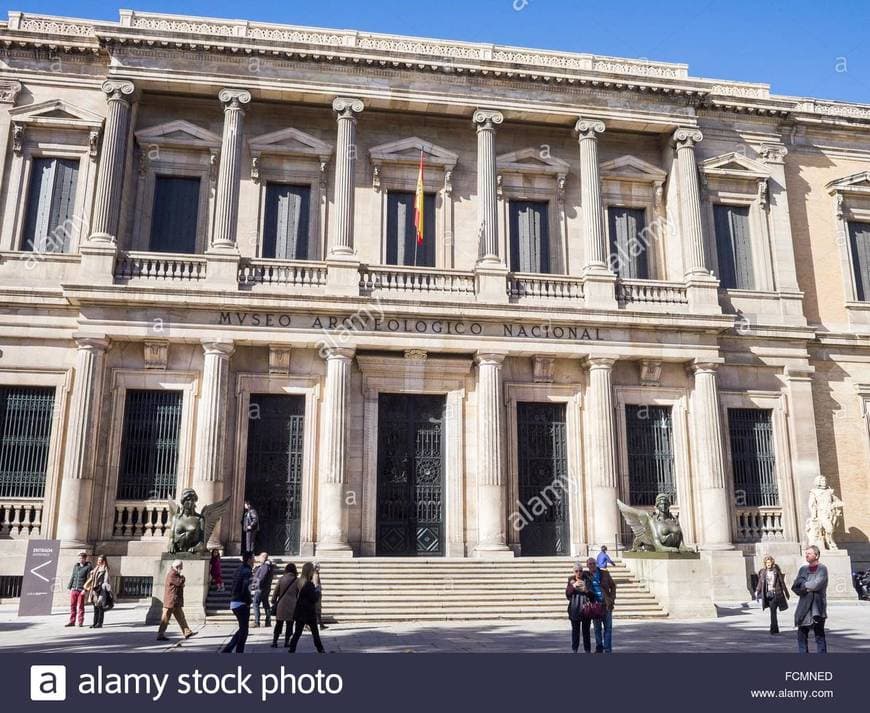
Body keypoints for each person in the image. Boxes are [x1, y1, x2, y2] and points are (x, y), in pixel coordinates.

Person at [792, 545, 828, 653]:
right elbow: (795, 586)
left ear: (816, 555)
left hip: (817, 607)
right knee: (801, 635)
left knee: (819, 635)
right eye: (806, 553)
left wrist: (804, 585)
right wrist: (806, 587)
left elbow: (816, 585)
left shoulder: (822, 569)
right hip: (803, 607)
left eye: (809, 553)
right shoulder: (803, 569)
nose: (806, 555)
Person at [288, 562, 325, 653]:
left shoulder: (299, 581)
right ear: (309, 571)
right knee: (315, 632)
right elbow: (314, 598)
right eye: (312, 570)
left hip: (300, 611)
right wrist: (317, 590)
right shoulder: (309, 584)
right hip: (309, 612)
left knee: (297, 632)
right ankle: (320, 649)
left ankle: (292, 648)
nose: (313, 572)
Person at [222, 552, 254, 653]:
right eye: (253, 558)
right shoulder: (247, 571)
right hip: (241, 603)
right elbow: (246, 588)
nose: (254, 560)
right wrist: (248, 601)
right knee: (244, 630)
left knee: (242, 629)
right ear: (249, 559)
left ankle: (230, 649)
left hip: (234, 602)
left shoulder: (239, 569)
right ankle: (235, 651)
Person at [157, 560, 195, 641]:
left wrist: (181, 581)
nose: (181, 569)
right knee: (165, 618)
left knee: (181, 617)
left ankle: (187, 632)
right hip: (171, 601)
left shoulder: (175, 574)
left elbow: (180, 584)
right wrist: (183, 578)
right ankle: (160, 634)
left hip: (175, 601)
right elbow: (179, 583)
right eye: (181, 567)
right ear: (177, 567)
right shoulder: (172, 574)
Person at [585, 557, 616, 653]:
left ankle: (607, 649)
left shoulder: (604, 573)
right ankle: (599, 647)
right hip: (595, 606)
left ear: (596, 564)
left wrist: (612, 599)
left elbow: (613, 586)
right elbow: (574, 576)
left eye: (593, 563)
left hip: (606, 604)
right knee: (597, 629)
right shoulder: (586, 575)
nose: (592, 565)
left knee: (608, 628)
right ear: (587, 566)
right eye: (590, 564)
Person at [755, 555, 789, 634]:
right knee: (773, 611)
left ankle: (773, 628)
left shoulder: (776, 571)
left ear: (772, 563)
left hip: (776, 594)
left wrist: (786, 593)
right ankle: (774, 628)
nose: (768, 564)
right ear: (765, 564)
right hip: (769, 595)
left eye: (769, 562)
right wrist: (757, 591)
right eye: (767, 563)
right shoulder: (763, 572)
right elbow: (760, 582)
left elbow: (782, 582)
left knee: (773, 612)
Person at [271, 563, 300, 648]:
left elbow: (276, 591)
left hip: (281, 605)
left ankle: (274, 642)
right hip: (292, 606)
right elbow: (299, 593)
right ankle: (286, 642)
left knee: (278, 624)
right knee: (289, 625)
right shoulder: (297, 580)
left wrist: (273, 600)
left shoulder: (281, 579)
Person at [566, 562, 593, 653]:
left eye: (580, 571)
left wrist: (586, 590)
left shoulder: (587, 580)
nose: (579, 573)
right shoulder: (571, 580)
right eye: (576, 571)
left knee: (586, 632)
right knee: (575, 632)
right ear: (574, 572)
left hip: (586, 609)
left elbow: (592, 596)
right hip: (574, 609)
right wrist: (573, 586)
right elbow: (567, 594)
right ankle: (575, 649)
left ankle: (587, 650)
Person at [66, 551, 93, 627]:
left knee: (80, 606)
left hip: (81, 590)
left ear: (85, 559)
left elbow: (89, 579)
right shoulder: (76, 566)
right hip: (74, 589)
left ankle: (80, 622)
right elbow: (73, 577)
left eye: (82, 558)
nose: (80, 559)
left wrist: (85, 589)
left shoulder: (88, 567)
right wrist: (69, 587)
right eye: (79, 558)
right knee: (72, 605)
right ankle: (72, 621)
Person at [86, 555, 112, 629]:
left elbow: (106, 580)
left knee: (100, 607)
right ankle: (94, 623)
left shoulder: (105, 569)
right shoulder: (96, 568)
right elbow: (92, 578)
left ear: (104, 561)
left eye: (100, 560)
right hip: (94, 590)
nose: (99, 561)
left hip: (101, 590)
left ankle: (99, 623)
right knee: (95, 607)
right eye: (98, 560)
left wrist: (103, 587)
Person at [252, 552, 275, 628]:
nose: (258, 558)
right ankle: (268, 621)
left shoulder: (265, 566)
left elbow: (261, 577)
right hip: (266, 588)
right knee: (265, 604)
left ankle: (257, 621)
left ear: (263, 557)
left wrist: (256, 585)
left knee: (255, 603)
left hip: (261, 588)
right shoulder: (266, 566)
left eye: (260, 556)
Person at [313, 562, 326, 630]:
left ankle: (321, 624)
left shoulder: (315, 574)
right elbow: (316, 585)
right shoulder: (315, 575)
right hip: (316, 595)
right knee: (317, 610)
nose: (319, 568)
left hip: (316, 594)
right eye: (318, 567)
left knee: (317, 610)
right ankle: (320, 625)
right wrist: (319, 592)